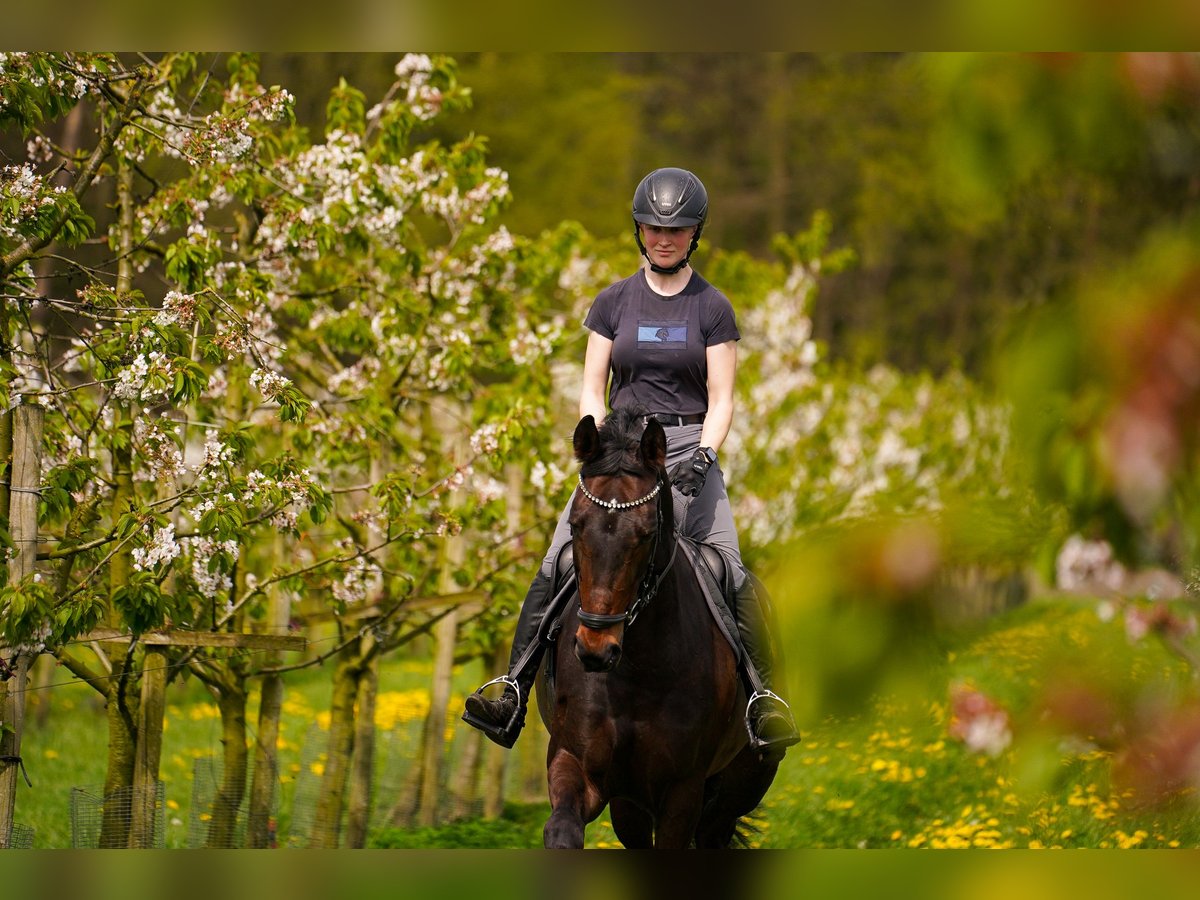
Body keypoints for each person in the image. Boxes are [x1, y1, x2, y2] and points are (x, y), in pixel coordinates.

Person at [463, 167, 799, 759]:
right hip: (621, 449)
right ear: (638, 230)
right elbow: (593, 387)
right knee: (560, 559)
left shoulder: (713, 307)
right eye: (653, 228)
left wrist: (705, 456)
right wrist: (598, 447)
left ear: (695, 234)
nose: (664, 238)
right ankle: (512, 687)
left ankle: (762, 699)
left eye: (677, 229)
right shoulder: (612, 302)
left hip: (689, 449)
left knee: (730, 572)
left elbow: (722, 399)